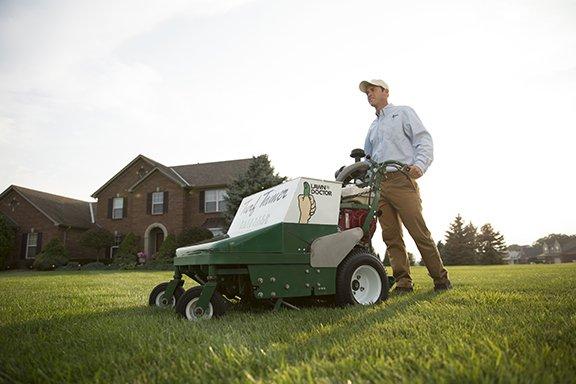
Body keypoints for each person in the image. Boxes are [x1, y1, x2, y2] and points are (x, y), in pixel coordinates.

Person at [359, 79, 451, 292]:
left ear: (386, 91)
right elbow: (368, 158)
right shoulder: (373, 127)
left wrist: (420, 165)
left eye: (373, 90)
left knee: (418, 232)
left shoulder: (403, 113)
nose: (369, 94)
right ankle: (403, 282)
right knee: (391, 237)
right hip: (380, 185)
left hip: (402, 180)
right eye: (367, 92)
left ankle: (441, 280)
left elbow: (423, 140)